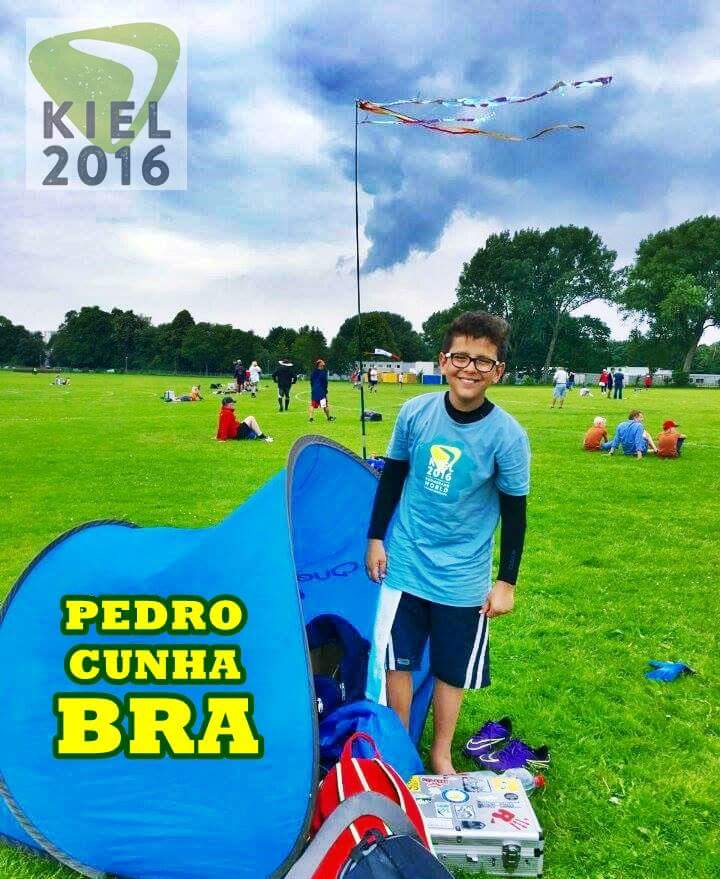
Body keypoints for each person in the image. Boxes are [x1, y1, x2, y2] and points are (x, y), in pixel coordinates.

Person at [365, 311, 530, 775]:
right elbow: (391, 479)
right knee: (397, 661)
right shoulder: (415, 413)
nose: (469, 368)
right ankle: (400, 747)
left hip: (463, 575)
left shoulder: (508, 437)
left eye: (483, 361)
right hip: (405, 563)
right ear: (443, 361)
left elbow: (515, 514)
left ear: (498, 371)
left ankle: (440, 753)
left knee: (450, 669)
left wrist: (506, 582)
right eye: (461, 357)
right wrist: (375, 538)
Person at [308, 358, 336, 422]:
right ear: (320, 365)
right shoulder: (323, 373)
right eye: (322, 364)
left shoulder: (313, 372)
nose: (324, 365)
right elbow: (325, 383)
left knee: (313, 405)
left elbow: (311, 381)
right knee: (324, 405)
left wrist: (313, 388)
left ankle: (311, 418)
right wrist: (325, 390)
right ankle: (329, 417)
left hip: (315, 391)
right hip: (321, 392)